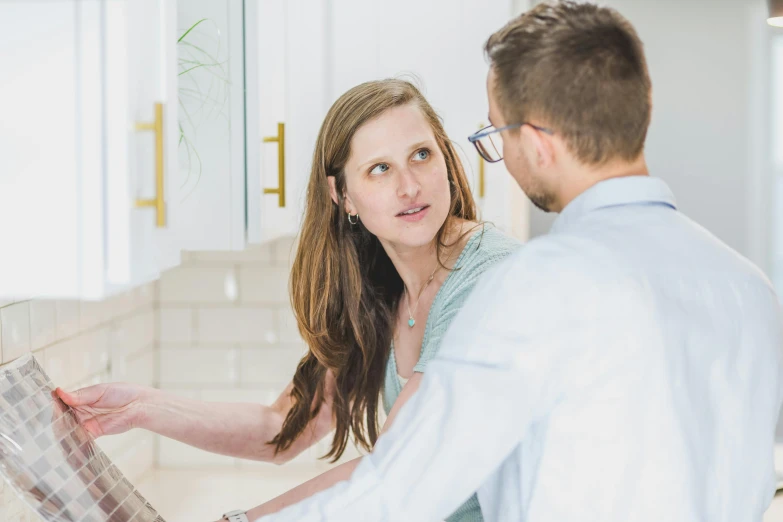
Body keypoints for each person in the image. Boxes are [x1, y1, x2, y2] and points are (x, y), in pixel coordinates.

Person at [246, 2, 783, 521]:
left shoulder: (530, 287)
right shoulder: (750, 289)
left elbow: (401, 488)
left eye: (497, 135)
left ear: (538, 142)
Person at [56, 79, 520, 522]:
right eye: (380, 168)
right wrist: (143, 407)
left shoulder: (486, 279)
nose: (409, 185)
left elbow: (396, 468)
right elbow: (283, 427)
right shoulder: (385, 288)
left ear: (446, 161)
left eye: (421, 154)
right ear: (342, 196)